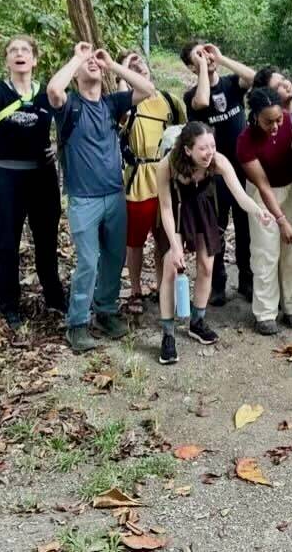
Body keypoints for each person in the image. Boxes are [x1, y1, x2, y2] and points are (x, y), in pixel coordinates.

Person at [47, 43, 155, 353]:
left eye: (95, 60)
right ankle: (77, 323)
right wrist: (78, 57)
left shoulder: (111, 103)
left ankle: (106, 311)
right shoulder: (70, 106)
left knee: (113, 258)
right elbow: (54, 88)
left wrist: (113, 65)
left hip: (115, 194)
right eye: (86, 62)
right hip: (83, 199)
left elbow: (147, 89)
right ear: (76, 72)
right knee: (88, 262)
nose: (91, 63)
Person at [0, 19, 65, 330]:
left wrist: (59, 147)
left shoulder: (47, 92)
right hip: (5, 179)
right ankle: (8, 303)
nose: (19, 53)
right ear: (8, 60)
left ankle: (54, 297)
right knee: (6, 244)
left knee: (47, 241)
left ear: (35, 59)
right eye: (13, 50)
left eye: (25, 50)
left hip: (42, 178)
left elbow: (72, 119)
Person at [154, 122, 273, 362]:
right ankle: (167, 334)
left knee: (207, 266)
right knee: (170, 266)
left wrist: (258, 211)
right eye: (203, 148)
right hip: (176, 209)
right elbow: (165, 208)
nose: (209, 152)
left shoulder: (218, 161)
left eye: (212, 145)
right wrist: (175, 247)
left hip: (203, 207)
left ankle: (197, 321)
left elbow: (240, 195)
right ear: (188, 150)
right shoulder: (167, 165)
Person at [181, 41, 256, 306]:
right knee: (217, 229)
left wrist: (221, 59)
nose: (206, 57)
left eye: (206, 51)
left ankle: (247, 279)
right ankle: (217, 283)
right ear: (191, 66)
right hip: (213, 173)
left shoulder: (232, 84)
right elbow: (202, 102)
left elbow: (253, 77)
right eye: (198, 56)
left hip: (242, 167)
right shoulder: (191, 96)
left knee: (246, 227)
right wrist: (203, 66)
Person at [117, 51, 187, 315]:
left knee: (165, 238)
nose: (137, 68)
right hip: (139, 178)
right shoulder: (126, 102)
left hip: (167, 177)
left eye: (139, 63)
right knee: (135, 241)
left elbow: (185, 135)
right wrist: (123, 68)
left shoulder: (171, 101)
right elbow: (122, 113)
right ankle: (135, 290)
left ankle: (163, 286)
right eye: (130, 66)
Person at [237, 88, 292, 335]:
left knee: (291, 251)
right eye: (269, 122)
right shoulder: (245, 142)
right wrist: (281, 220)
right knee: (265, 253)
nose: (276, 126)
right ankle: (265, 312)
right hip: (262, 196)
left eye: (278, 119)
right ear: (255, 116)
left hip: (291, 188)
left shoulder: (286, 120)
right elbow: (263, 187)